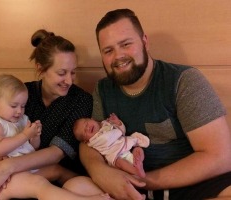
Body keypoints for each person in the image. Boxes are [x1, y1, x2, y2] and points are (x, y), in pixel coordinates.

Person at [76, 8, 231, 200]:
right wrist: (98, 170)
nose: (118, 56)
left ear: (144, 42)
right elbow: (89, 141)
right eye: (108, 50)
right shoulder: (103, 88)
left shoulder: (184, 80)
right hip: (125, 188)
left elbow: (221, 157)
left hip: (187, 185)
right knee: (76, 187)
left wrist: (141, 181)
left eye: (125, 44)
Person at [0, 29, 111, 200]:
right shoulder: (22, 95)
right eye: (62, 73)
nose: (69, 81)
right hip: (4, 167)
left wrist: (7, 168)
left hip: (46, 177)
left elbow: (56, 153)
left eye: (73, 72)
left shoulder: (81, 100)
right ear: (40, 68)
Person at [73, 113, 149, 178]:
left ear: (92, 119)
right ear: (86, 141)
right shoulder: (93, 141)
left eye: (86, 123)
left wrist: (118, 123)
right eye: (85, 131)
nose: (87, 127)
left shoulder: (106, 124)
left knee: (138, 149)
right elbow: (106, 140)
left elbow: (122, 131)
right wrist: (115, 131)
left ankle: (139, 163)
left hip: (125, 146)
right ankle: (136, 171)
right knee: (121, 163)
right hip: (115, 155)